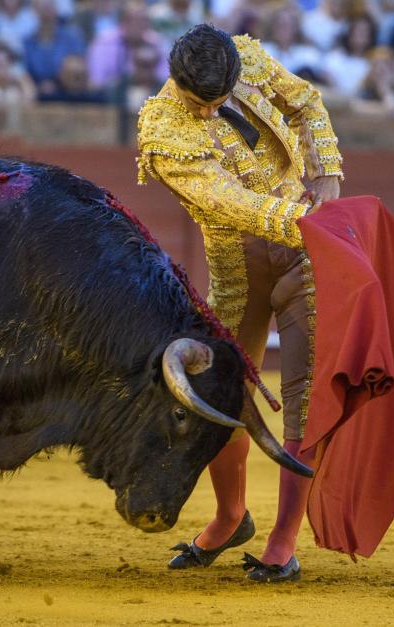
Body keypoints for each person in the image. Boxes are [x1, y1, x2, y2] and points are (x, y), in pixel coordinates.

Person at [136, 24, 343, 583]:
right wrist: (307, 218)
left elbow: (305, 101)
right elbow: (229, 204)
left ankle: (284, 539)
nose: (214, 110)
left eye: (223, 99)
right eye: (203, 102)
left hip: (307, 255)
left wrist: (325, 171)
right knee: (218, 390)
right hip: (240, 264)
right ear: (176, 82)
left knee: (300, 394)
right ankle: (232, 516)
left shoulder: (245, 56)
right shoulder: (160, 128)